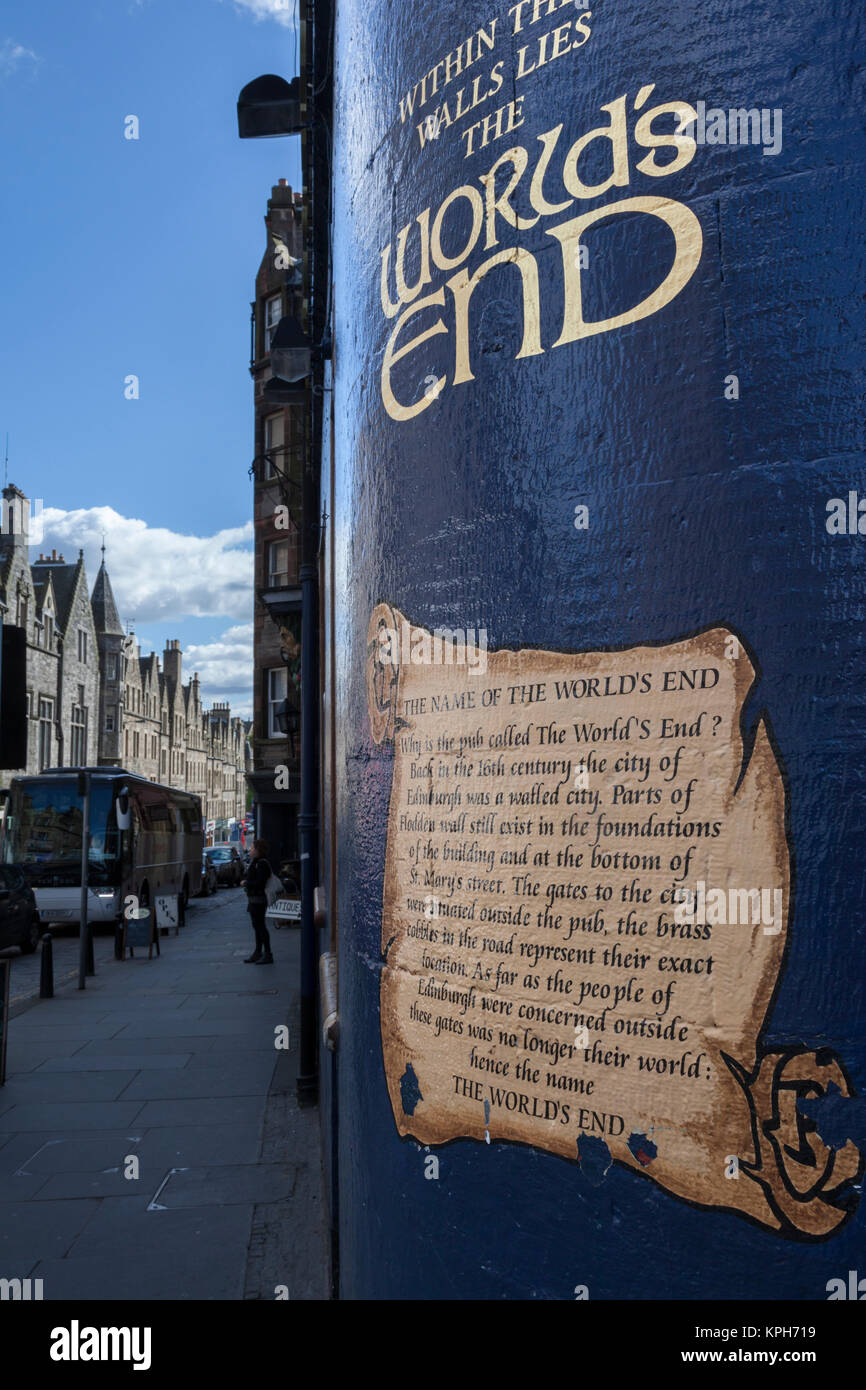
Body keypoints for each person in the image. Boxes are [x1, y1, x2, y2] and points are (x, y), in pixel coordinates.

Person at [241, 838, 274, 964]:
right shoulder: (255, 862)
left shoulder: (262, 863)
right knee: (256, 926)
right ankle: (258, 951)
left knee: (260, 926)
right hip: (253, 899)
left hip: (259, 899)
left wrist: (246, 883)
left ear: (258, 850)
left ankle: (267, 953)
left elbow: (260, 883)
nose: (251, 850)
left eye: (253, 848)